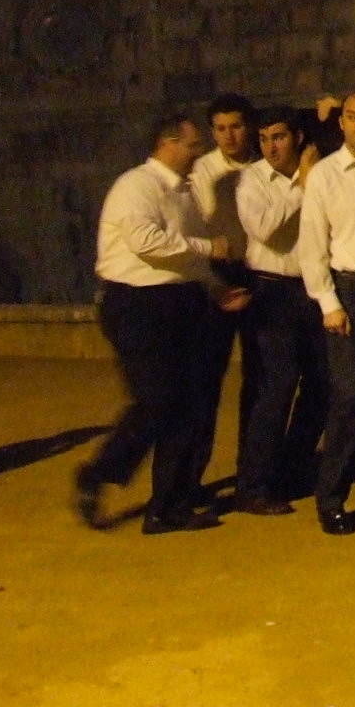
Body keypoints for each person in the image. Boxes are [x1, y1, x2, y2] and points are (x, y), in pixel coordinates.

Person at [76, 110, 242, 534]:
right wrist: (210, 248)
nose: (198, 151)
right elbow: (146, 242)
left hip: (179, 301)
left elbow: (183, 257)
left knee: (188, 407)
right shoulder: (136, 186)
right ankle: (100, 472)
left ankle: (167, 506)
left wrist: (214, 287)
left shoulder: (182, 193)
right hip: (137, 305)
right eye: (191, 144)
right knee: (157, 401)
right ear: (168, 144)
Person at [297, 90, 355, 537]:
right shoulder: (326, 175)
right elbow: (312, 244)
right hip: (349, 289)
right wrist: (329, 303)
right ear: (342, 122)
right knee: (349, 397)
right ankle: (330, 496)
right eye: (353, 118)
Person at [231, 107, 324, 516]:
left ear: (298, 138)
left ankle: (292, 468)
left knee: (322, 387)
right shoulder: (252, 179)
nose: (270, 146)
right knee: (275, 388)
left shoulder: (321, 172)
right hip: (271, 291)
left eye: (279, 137)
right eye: (265, 138)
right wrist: (303, 185)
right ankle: (253, 485)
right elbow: (266, 229)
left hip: (314, 289)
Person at [189, 93, 255, 489]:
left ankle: (254, 471)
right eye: (221, 129)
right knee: (205, 382)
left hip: (257, 274)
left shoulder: (264, 163)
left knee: (260, 380)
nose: (229, 137)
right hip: (216, 277)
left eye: (236, 127)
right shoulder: (201, 173)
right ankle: (191, 477)